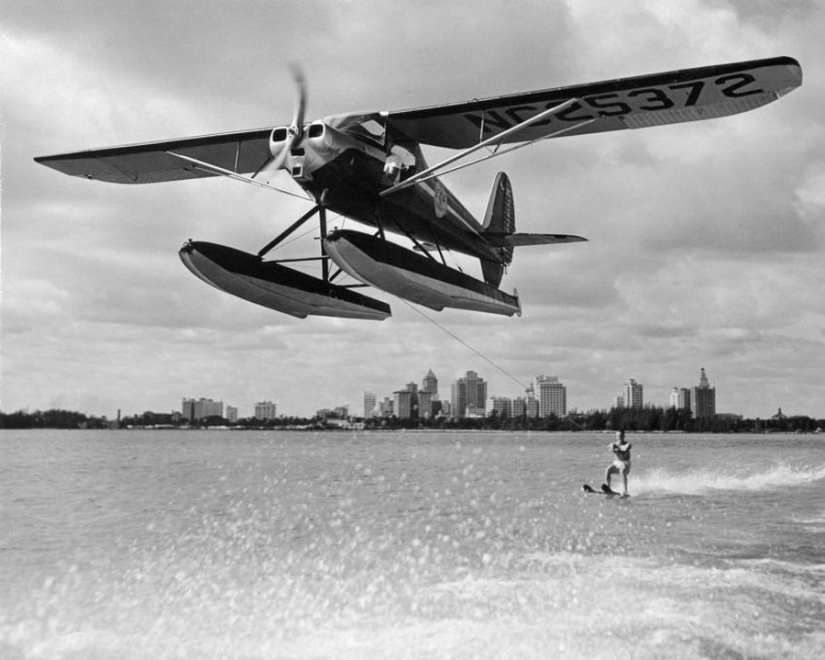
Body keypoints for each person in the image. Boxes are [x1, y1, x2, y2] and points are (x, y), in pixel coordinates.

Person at [605, 430, 631, 495]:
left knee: (623, 470)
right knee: (607, 469)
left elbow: (624, 450)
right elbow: (608, 447)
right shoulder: (614, 444)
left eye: (621, 436)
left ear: (624, 436)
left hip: (625, 463)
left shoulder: (628, 444)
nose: (620, 438)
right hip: (617, 463)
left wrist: (617, 449)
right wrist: (612, 448)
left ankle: (625, 490)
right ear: (616, 437)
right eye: (618, 436)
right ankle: (608, 488)